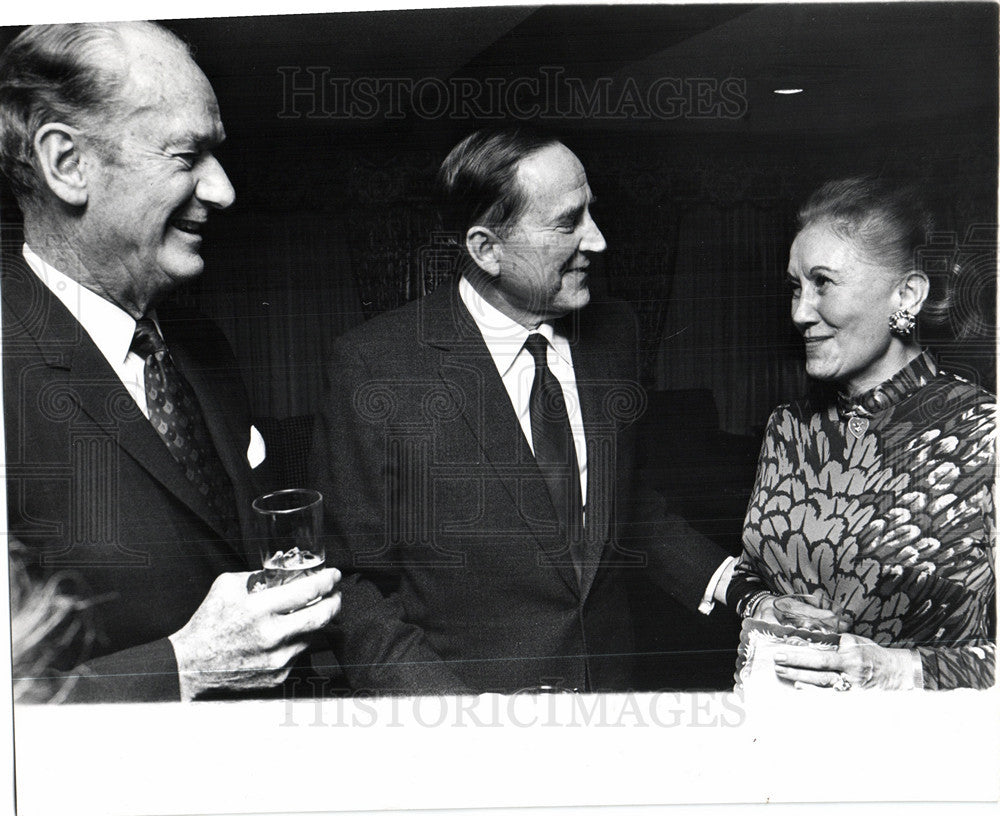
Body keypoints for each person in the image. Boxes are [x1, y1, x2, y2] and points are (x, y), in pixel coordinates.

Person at [310, 127, 735, 693]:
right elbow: (354, 582)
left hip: (612, 702)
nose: (599, 241)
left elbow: (627, 507)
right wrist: (460, 718)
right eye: (568, 223)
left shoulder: (615, 336)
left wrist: (739, 587)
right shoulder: (376, 366)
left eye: (593, 213)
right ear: (487, 249)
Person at [1, 22, 340, 702]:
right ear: (68, 164)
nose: (223, 191)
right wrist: (184, 668)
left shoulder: (200, 343)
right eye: (188, 156)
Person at [728, 177, 995, 691]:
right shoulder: (788, 426)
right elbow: (755, 568)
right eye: (795, 286)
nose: (800, 312)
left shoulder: (985, 434)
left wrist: (891, 670)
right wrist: (762, 608)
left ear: (908, 294)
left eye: (823, 283)